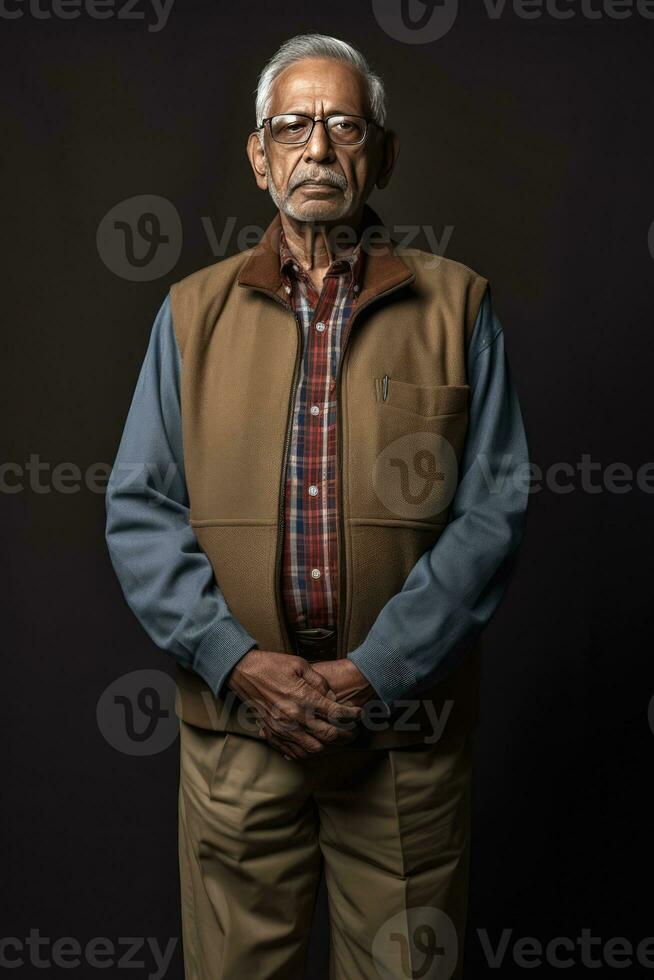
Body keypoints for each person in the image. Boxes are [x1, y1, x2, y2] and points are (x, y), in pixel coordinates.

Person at [105, 33, 530, 980]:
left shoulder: (458, 308)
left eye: (344, 125)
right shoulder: (188, 313)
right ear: (260, 156)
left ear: (380, 154)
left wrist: (379, 669)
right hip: (236, 734)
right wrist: (235, 661)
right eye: (292, 125)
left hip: (402, 740)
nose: (319, 148)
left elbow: (492, 514)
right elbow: (138, 510)